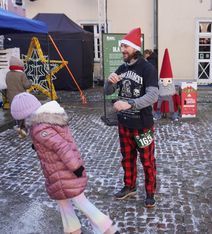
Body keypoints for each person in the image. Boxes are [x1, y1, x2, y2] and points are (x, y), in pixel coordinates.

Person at [10, 92, 119, 234]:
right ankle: (72, 229)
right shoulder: (45, 121)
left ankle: (108, 229)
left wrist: (76, 168)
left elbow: (62, 147)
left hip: (65, 171)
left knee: (81, 202)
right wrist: (38, 146)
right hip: (56, 172)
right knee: (63, 202)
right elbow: (54, 142)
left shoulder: (39, 128)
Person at [104, 27, 158, 208]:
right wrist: (109, 82)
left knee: (147, 161)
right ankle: (130, 186)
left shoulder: (147, 68)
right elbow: (108, 92)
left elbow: (152, 96)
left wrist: (130, 104)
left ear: (135, 47)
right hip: (124, 124)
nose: (122, 50)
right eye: (121, 47)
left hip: (143, 125)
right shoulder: (122, 68)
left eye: (125, 47)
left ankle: (150, 192)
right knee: (127, 158)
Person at [5, 56, 32, 137]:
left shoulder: (8, 74)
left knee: (16, 112)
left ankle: (17, 125)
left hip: (11, 97)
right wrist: (30, 82)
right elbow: (26, 85)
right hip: (20, 97)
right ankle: (22, 129)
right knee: (23, 113)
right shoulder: (21, 74)